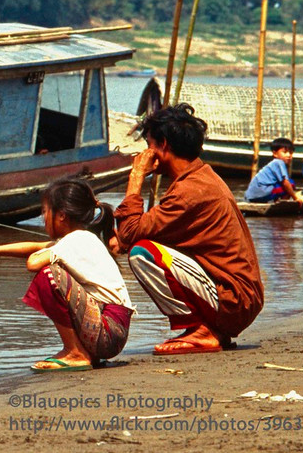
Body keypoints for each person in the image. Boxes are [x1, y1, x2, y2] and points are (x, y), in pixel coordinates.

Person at [113, 104, 263, 355]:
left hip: (233, 301)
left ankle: (201, 330)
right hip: (237, 298)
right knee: (144, 246)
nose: (145, 152)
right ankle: (207, 328)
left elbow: (131, 233)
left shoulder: (189, 190)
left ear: (163, 146)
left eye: (149, 144)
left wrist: (136, 177)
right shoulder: (200, 177)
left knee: (143, 253)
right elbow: (147, 230)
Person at [0, 176, 133, 372]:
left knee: (49, 274)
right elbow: (35, 247)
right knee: (52, 267)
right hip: (110, 333)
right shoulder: (80, 238)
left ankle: (76, 353)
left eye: (45, 212)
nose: (43, 218)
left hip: (108, 333)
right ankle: (84, 353)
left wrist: (48, 254)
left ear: (62, 215)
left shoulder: (76, 240)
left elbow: (33, 262)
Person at [244, 137, 303, 204]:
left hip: (253, 195)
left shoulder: (274, 163)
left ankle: (278, 202)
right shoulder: (279, 162)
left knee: (282, 184)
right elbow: (285, 183)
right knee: (291, 183)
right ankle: (283, 204)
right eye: (285, 152)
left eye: (290, 152)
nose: (288, 155)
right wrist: (295, 198)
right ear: (275, 153)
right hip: (261, 192)